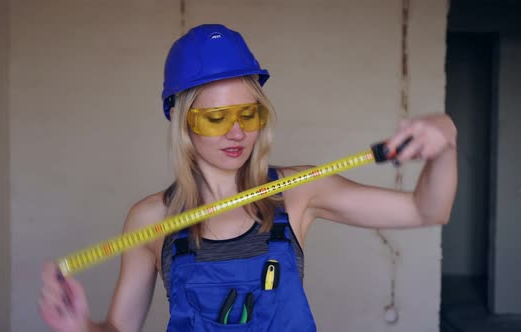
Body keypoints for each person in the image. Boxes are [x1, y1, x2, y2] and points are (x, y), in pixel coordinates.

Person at [39, 24, 457, 332]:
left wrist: (445, 134)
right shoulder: (150, 219)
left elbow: (428, 209)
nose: (237, 132)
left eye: (248, 114)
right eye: (217, 118)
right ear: (183, 123)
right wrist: (83, 329)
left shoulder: (298, 193)